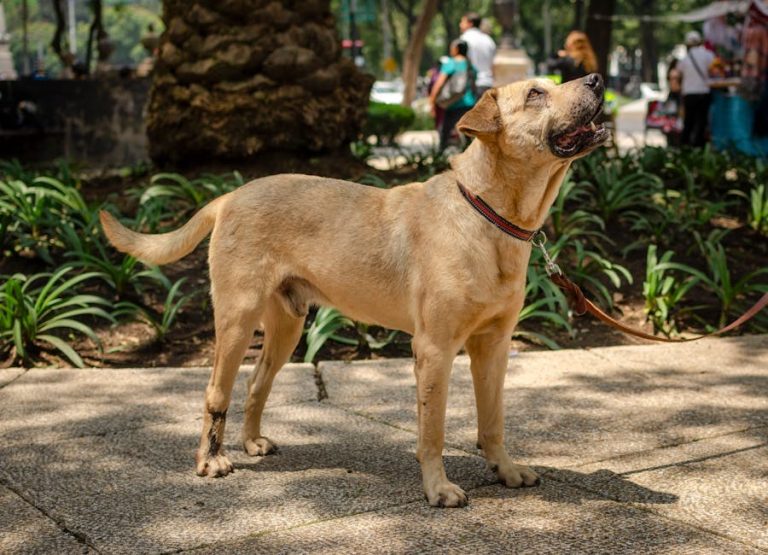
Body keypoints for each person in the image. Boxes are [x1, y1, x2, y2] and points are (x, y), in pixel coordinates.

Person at [429, 39, 476, 151]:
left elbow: (439, 83)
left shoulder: (451, 63)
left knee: (445, 132)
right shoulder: (470, 65)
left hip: (453, 104)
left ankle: (439, 157)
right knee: (468, 135)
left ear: (456, 49)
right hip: (469, 103)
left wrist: (432, 99)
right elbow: (474, 85)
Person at [678, 30, 715, 147]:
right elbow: (714, 71)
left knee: (688, 121)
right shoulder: (708, 55)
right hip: (704, 92)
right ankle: (699, 147)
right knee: (702, 122)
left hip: (689, 94)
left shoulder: (684, 59)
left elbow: (679, 74)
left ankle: (684, 147)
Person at [459, 12, 496, 98]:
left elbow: (461, 63)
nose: (460, 25)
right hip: (488, 84)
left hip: (472, 86)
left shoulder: (464, 39)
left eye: (462, 22)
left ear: (470, 23)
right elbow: (493, 66)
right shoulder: (489, 40)